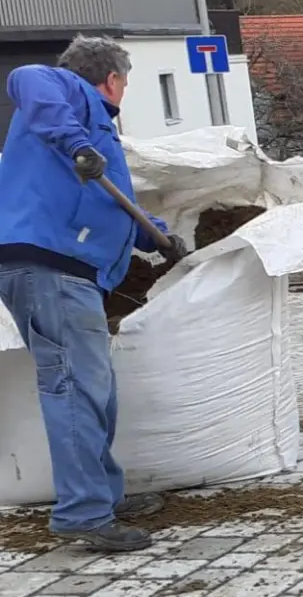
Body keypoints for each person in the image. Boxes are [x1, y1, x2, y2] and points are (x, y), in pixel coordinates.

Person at [0, 35, 184, 553]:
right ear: (112, 80)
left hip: (64, 268)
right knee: (76, 387)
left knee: (94, 386)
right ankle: (83, 512)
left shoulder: (91, 134)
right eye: (126, 84)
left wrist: (157, 234)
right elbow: (27, 79)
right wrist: (77, 143)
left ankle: (99, 494)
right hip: (48, 266)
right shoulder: (68, 95)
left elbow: (109, 203)